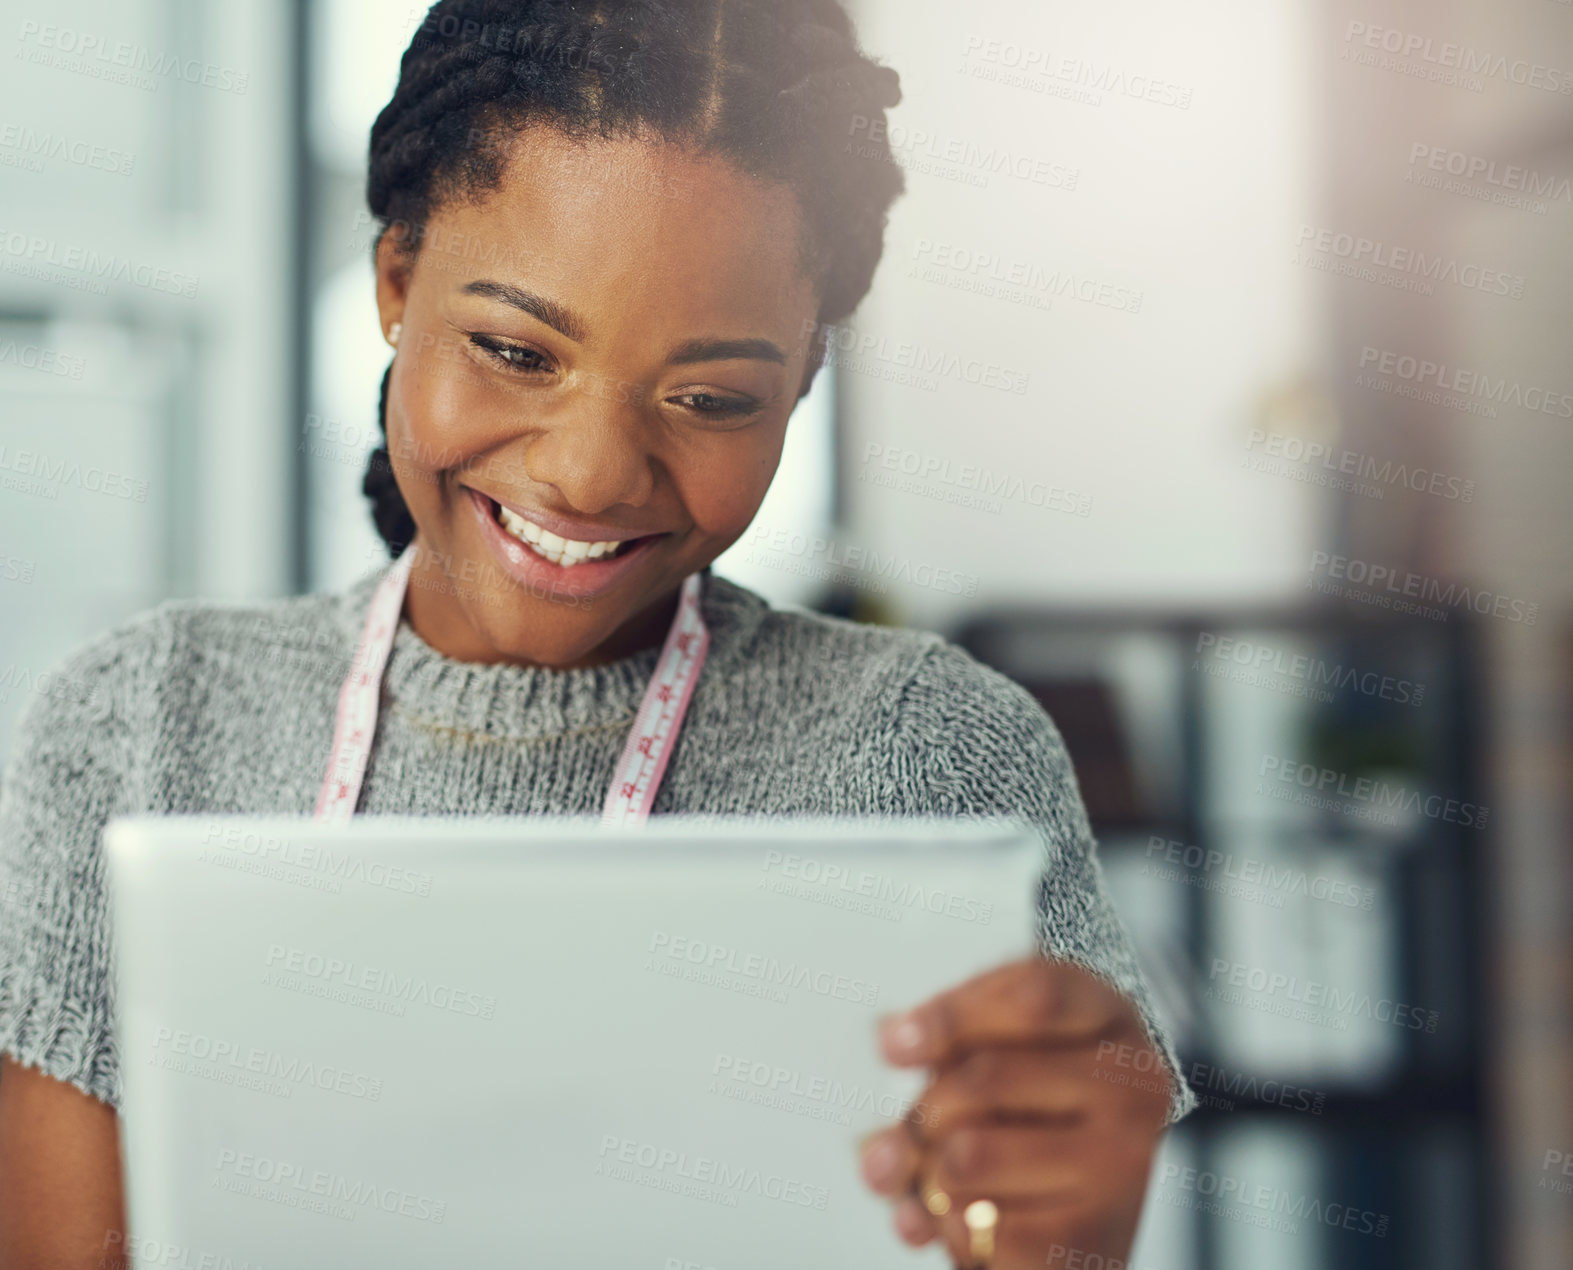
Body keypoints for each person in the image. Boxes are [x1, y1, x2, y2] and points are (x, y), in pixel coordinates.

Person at [0, 2, 1193, 1266]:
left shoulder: (935, 759)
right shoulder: (139, 722)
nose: (586, 473)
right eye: (516, 349)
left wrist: (1070, 1226)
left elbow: (1012, 1241)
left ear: (802, 376)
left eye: (711, 396)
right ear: (395, 280)